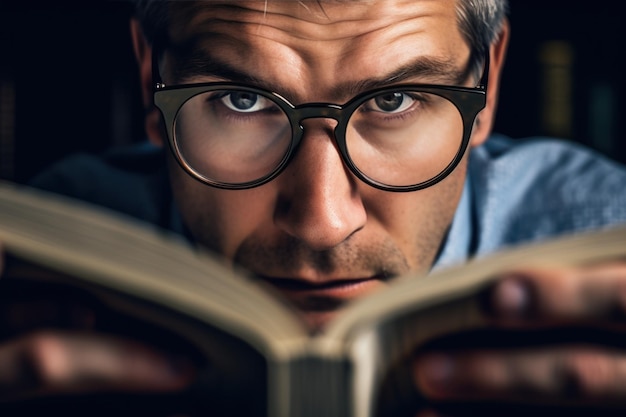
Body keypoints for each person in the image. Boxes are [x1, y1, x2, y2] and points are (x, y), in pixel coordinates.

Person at [2, 0, 626, 415]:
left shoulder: (608, 237)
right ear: (149, 79)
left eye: (396, 99)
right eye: (242, 101)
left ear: (485, 86)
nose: (323, 223)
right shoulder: (53, 253)